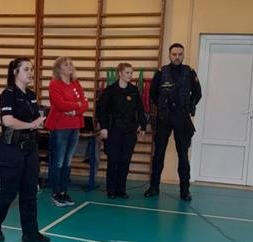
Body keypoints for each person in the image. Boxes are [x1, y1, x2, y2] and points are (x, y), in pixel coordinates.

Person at [0, 57, 50, 242]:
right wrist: (31, 124)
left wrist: (41, 122)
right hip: (11, 150)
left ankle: (30, 233)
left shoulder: (31, 95)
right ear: (15, 72)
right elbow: (8, 121)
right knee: (8, 192)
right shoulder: (8, 94)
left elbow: (35, 119)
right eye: (26, 69)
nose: (31, 73)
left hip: (30, 149)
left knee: (30, 192)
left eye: (32, 69)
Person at [145, 42, 202, 201]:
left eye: (180, 54)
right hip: (164, 118)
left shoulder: (189, 73)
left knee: (183, 156)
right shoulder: (161, 72)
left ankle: (185, 191)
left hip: (182, 118)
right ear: (169, 55)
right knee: (159, 154)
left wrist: (188, 106)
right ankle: (154, 187)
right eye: (174, 54)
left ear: (183, 55)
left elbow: (198, 93)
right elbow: (153, 93)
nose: (177, 57)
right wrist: (163, 107)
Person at [96, 62, 147, 198]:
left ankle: (121, 189)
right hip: (114, 130)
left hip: (129, 131)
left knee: (125, 161)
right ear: (120, 73)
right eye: (127, 73)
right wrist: (104, 127)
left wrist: (143, 125)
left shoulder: (134, 91)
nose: (130, 75)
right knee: (113, 160)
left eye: (131, 73)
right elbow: (101, 110)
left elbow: (140, 109)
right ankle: (111, 190)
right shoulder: (110, 91)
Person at [45, 56, 89, 207]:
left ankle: (64, 191)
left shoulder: (76, 83)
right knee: (58, 161)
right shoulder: (54, 84)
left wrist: (75, 110)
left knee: (68, 161)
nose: (70, 66)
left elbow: (85, 104)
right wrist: (77, 105)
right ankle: (56, 192)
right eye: (66, 65)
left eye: (71, 64)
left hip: (75, 126)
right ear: (59, 69)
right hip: (60, 128)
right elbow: (60, 104)